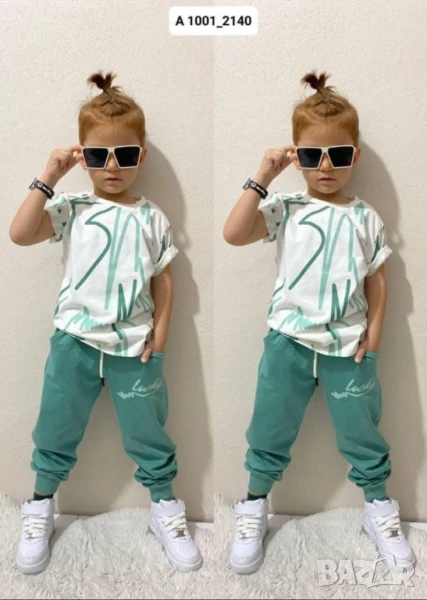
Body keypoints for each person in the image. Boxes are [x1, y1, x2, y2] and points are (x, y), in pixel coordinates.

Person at [10, 71, 202, 575]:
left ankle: (165, 509)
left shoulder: (152, 217)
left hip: (134, 349)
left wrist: (159, 342)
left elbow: (164, 282)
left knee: (148, 433)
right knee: (55, 428)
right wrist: (49, 176)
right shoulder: (71, 208)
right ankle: (40, 507)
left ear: (142, 156)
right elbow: (20, 233)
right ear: (83, 157)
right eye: (98, 155)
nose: (112, 166)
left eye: (125, 154)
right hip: (74, 343)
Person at [223, 71, 415, 574]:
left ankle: (378, 509)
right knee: (269, 428)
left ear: (355, 156)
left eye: (338, 154)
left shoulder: (365, 217)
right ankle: (253, 506)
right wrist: (263, 176)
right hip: (287, 342)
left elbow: (377, 281)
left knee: (362, 433)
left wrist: (373, 341)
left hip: (347, 348)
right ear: (296, 157)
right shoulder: (285, 207)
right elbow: (234, 233)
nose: (325, 166)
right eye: (311, 155)